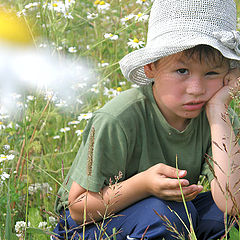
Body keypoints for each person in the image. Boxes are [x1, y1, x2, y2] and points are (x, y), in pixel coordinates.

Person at [52, 0, 240, 239]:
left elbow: (232, 201)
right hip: (90, 225)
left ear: (229, 75)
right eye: (182, 71)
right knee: (169, 213)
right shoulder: (118, 118)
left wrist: (218, 111)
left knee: (221, 214)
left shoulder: (218, 116)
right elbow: (78, 208)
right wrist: (144, 184)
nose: (196, 89)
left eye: (212, 73)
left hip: (168, 215)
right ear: (151, 68)